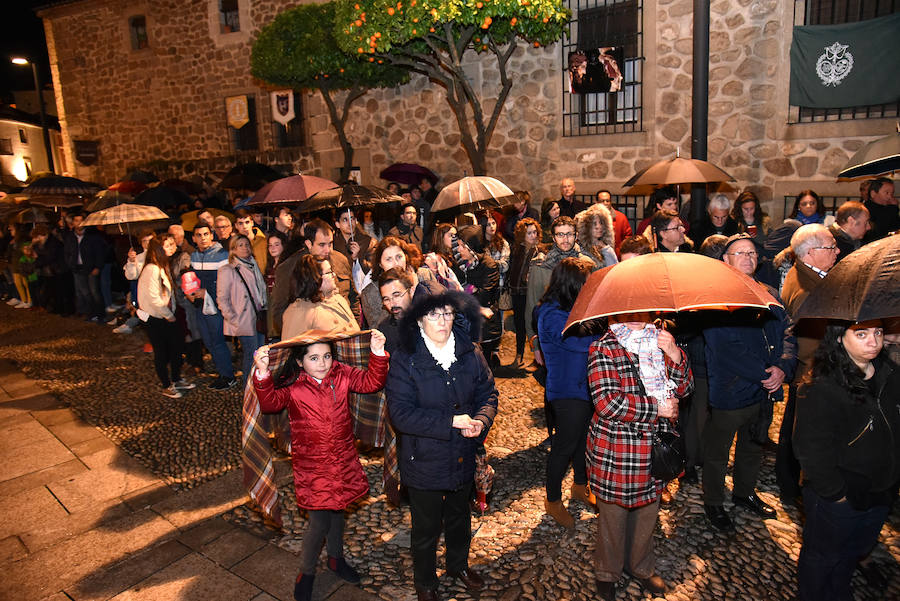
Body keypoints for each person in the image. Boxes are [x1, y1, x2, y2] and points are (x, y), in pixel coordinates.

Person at [252, 330, 389, 601]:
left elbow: (373, 381)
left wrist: (376, 351)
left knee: (338, 511)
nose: (323, 363)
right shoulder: (293, 387)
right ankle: (307, 572)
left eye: (326, 356)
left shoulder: (343, 374)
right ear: (301, 362)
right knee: (318, 524)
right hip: (312, 466)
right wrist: (263, 373)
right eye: (314, 358)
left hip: (343, 460)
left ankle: (336, 559)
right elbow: (269, 404)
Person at [385, 290, 498, 601]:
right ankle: (425, 582)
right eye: (434, 315)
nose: (443, 321)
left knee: (460, 518)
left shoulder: (468, 351)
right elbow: (401, 415)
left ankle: (457, 565)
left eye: (448, 313)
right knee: (426, 527)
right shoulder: (406, 358)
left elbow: (488, 394)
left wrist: (481, 421)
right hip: (424, 460)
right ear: (420, 318)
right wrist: (452, 421)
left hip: (462, 455)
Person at [587, 313, 693, 600]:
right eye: (627, 309)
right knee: (613, 515)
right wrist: (656, 408)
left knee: (648, 512)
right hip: (618, 449)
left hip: (655, 448)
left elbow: (684, 389)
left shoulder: (661, 341)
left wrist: (675, 354)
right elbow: (607, 401)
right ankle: (607, 571)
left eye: (641, 308)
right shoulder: (604, 347)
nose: (635, 315)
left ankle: (641, 567)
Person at [793, 320, 900, 601]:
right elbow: (810, 448)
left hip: (880, 488)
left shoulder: (890, 374)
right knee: (823, 556)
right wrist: (835, 493)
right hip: (841, 495)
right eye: (861, 334)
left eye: (877, 333)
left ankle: (839, 591)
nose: (873, 341)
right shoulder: (822, 386)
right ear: (839, 339)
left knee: (853, 551)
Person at [702, 234, 797, 531]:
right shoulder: (715, 298)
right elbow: (724, 346)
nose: (749, 258)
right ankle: (714, 502)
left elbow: (788, 332)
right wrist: (764, 373)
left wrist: (782, 367)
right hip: (731, 388)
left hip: (763, 389)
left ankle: (744, 493)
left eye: (753, 253)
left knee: (753, 445)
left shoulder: (768, 292)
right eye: (740, 253)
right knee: (717, 452)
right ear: (725, 260)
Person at [776, 223, 837, 503]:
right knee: (799, 431)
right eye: (831, 246)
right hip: (812, 369)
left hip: (810, 369)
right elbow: (812, 340)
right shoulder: (807, 290)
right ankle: (792, 485)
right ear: (811, 253)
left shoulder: (808, 274)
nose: (837, 251)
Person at [536, 258, 598, 530]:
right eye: (585, 282)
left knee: (583, 441)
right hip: (566, 390)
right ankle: (552, 501)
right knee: (564, 446)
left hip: (584, 387)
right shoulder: (550, 313)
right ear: (572, 284)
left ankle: (580, 486)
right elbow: (579, 343)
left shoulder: (574, 307)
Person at [137, 239, 194, 399]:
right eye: (166, 247)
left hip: (167, 315)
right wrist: (169, 316)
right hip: (157, 317)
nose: (171, 248)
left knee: (176, 348)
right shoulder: (152, 269)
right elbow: (155, 298)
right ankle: (166, 385)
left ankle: (176, 378)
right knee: (161, 352)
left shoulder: (163, 267)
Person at [525, 216, 594, 340]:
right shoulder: (541, 266)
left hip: (582, 332)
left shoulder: (587, 264)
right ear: (553, 237)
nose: (565, 239)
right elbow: (532, 304)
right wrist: (534, 344)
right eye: (560, 234)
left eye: (569, 234)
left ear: (576, 235)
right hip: (550, 332)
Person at [187, 221, 237, 390]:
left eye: (206, 234)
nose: (203, 238)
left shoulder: (222, 255)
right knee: (208, 342)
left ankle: (228, 376)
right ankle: (222, 371)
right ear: (194, 238)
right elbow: (193, 279)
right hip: (200, 306)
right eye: (199, 235)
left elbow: (227, 283)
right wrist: (190, 291)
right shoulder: (194, 256)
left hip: (216, 307)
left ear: (211, 235)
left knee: (217, 341)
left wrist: (206, 291)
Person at [217, 234, 267, 386]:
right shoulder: (228, 270)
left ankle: (257, 387)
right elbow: (222, 299)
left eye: (246, 244)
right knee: (252, 355)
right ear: (233, 250)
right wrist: (234, 319)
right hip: (243, 320)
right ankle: (249, 388)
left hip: (258, 316)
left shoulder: (254, 264)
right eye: (240, 245)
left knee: (259, 354)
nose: (245, 248)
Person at [453, 225, 501, 368]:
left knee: (483, 365)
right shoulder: (462, 264)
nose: (459, 249)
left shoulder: (489, 265)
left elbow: (484, 296)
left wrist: (461, 292)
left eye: (462, 246)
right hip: (466, 322)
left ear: (471, 247)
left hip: (484, 324)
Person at [282, 255, 357, 338]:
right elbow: (291, 346)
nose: (334, 275)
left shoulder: (339, 300)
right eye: (329, 272)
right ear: (315, 278)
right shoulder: (299, 311)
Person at [507, 218, 541, 367]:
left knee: (534, 325)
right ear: (522, 234)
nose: (533, 236)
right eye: (529, 233)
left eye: (534, 232)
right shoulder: (517, 249)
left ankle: (538, 358)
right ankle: (519, 355)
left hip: (531, 292)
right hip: (517, 292)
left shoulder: (540, 251)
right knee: (519, 325)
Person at [63, 213, 108, 322]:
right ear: (73, 223)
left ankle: (100, 314)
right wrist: (71, 264)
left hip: (91, 267)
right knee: (83, 292)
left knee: (94, 292)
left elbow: (99, 252)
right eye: (76, 220)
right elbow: (67, 252)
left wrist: (97, 266)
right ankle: (89, 313)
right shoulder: (70, 237)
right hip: (77, 268)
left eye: (81, 220)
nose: (79, 223)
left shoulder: (92, 236)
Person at [575, 203, 618, 270]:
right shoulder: (581, 249)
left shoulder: (606, 247)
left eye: (601, 223)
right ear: (587, 227)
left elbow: (614, 270)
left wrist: (607, 249)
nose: (599, 227)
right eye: (594, 224)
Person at [862, 177, 898, 241]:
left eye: (892, 193)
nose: (890, 197)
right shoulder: (866, 210)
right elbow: (880, 230)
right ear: (873, 193)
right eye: (887, 193)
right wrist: (893, 208)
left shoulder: (888, 208)